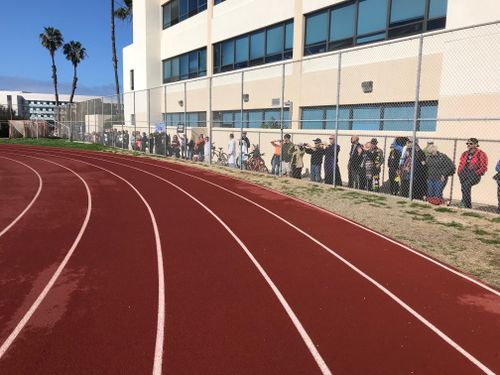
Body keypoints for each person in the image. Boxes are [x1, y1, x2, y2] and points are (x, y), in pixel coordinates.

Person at [458, 138, 488, 208]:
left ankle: (465, 203)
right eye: (467, 143)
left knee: (466, 186)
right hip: (464, 173)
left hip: (474, 173)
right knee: (464, 188)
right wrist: (459, 171)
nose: (468, 145)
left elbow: (484, 166)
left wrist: (477, 173)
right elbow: (461, 163)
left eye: (470, 143)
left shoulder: (481, 154)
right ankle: (467, 205)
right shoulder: (465, 153)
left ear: (476, 144)